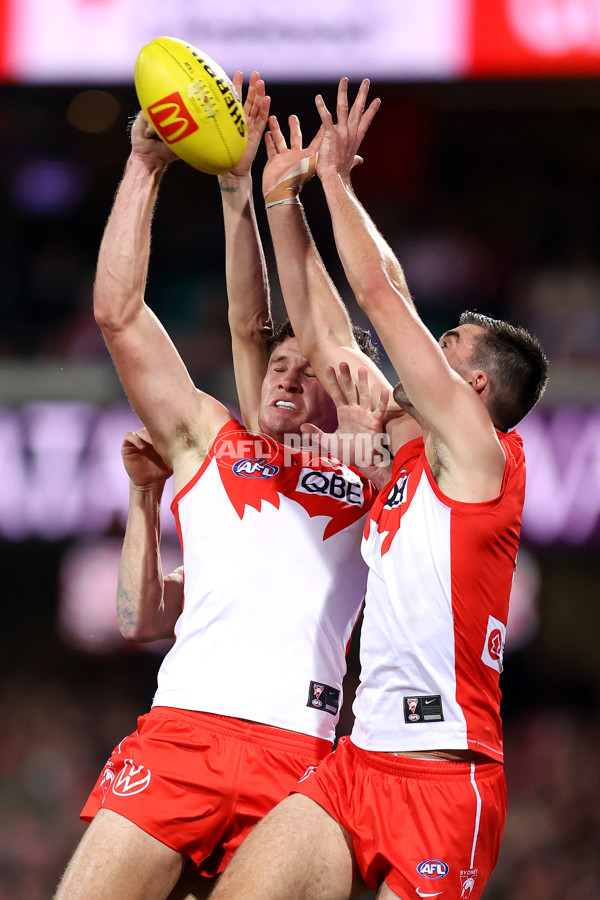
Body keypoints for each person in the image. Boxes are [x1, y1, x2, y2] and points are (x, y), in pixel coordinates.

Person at [209, 79, 549, 900]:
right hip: (359, 761)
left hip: (446, 778)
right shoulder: (410, 450)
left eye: (448, 342)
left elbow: (379, 295)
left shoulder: (482, 456)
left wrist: (336, 179)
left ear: (472, 386)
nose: (427, 346)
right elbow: (331, 332)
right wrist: (283, 200)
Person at [53, 72, 384, 900]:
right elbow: (121, 315)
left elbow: (298, 326)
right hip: (181, 737)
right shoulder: (211, 440)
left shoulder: (370, 473)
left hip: (300, 759)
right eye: (276, 363)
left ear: (339, 390)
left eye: (306, 368)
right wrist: (146, 166)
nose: (284, 372)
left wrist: (288, 196)